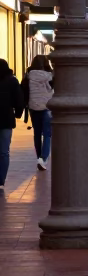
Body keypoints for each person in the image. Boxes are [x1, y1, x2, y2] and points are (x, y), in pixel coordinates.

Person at [24, 55, 54, 170]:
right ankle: (43, 158)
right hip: (46, 107)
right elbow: (53, 89)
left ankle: (39, 157)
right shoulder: (49, 76)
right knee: (47, 134)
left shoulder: (28, 75)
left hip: (33, 106)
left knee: (37, 133)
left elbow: (25, 89)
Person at [0, 60, 22, 190]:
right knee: (4, 152)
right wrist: (18, 113)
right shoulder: (12, 81)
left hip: (6, 119)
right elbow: (18, 99)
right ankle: (1, 179)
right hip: (6, 119)